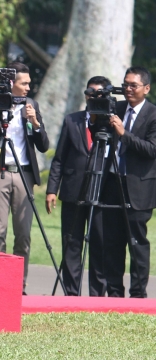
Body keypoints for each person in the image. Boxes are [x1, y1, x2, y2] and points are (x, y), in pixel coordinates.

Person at [0, 61, 49, 293]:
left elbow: (43, 146)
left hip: (23, 175)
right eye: (24, 84)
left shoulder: (31, 105)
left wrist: (35, 123)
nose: (28, 88)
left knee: (23, 234)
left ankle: (18, 285)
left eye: (29, 84)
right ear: (11, 83)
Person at [92, 66, 156, 298]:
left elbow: (151, 149)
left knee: (137, 243)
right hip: (112, 183)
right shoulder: (116, 108)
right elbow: (96, 131)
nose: (128, 89)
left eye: (133, 85)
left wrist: (123, 133)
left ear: (146, 89)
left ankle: (138, 296)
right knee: (112, 243)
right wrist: (95, 112)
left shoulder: (153, 114)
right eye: (125, 84)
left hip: (139, 188)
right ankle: (115, 294)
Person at [46, 76, 110, 296]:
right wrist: (52, 189)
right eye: (89, 91)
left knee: (99, 245)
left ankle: (97, 295)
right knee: (71, 244)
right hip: (73, 191)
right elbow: (59, 158)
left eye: (99, 93)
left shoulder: (112, 122)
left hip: (102, 192)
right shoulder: (72, 120)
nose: (93, 96)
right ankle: (71, 293)